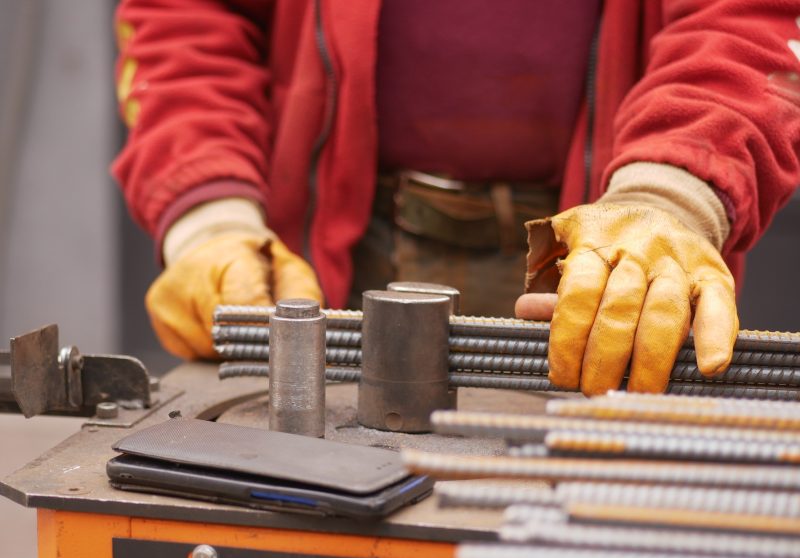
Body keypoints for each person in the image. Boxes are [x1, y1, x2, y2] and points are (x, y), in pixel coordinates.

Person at [112, 1, 800, 395]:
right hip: (333, 255)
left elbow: (746, 17)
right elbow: (188, 16)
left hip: (603, 265)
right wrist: (209, 217)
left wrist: (666, 197)